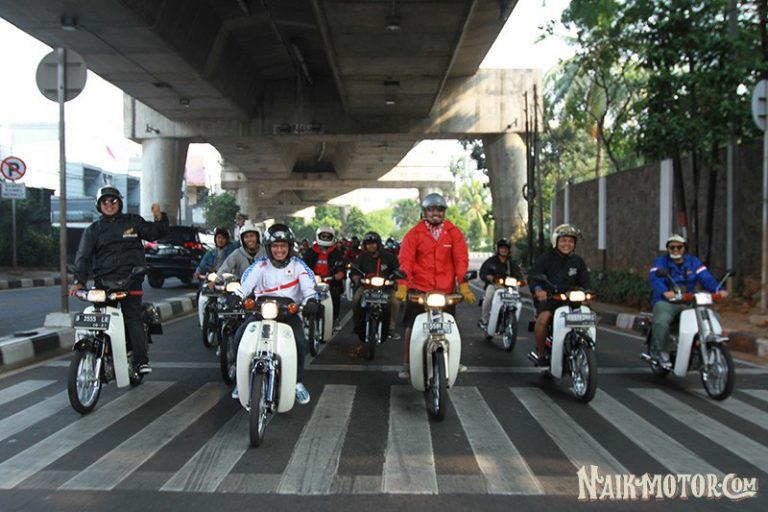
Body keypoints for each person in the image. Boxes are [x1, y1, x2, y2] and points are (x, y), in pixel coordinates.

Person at [69, 185, 169, 374]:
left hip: (131, 281)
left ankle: (140, 361)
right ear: (99, 205)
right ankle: (105, 354)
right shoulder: (93, 230)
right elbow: (83, 256)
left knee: (132, 318)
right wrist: (78, 281)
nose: (109, 204)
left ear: (120, 203)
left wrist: (159, 217)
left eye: (113, 201)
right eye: (105, 201)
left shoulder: (133, 221)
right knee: (100, 318)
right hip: (103, 283)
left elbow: (154, 233)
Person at [232, 223, 317, 404]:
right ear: (269, 248)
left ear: (290, 247)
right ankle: (241, 380)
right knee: (239, 336)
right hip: (261, 312)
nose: (279, 250)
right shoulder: (260, 265)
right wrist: (236, 296)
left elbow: (309, 287)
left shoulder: (299, 266)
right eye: (275, 246)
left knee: (300, 344)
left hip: (288, 314)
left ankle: (297, 382)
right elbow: (246, 284)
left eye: (283, 246)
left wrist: (311, 300)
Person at [394, 193, 475, 378]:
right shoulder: (414, 233)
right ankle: (406, 363)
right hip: (420, 288)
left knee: (451, 325)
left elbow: (461, 259)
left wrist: (463, 284)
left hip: (445, 290)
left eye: (439, 210)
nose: (435, 213)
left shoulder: (454, 233)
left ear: (444, 212)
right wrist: (403, 285)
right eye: (431, 210)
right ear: (424, 212)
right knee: (412, 326)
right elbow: (406, 260)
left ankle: (454, 359)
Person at [649, 234, 727, 366]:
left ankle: (707, 343)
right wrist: (664, 292)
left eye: (679, 247)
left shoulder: (693, 262)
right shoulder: (660, 262)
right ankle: (664, 353)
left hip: (689, 300)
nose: (675, 250)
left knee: (711, 316)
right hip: (667, 302)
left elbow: (706, 277)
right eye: (672, 247)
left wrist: (718, 289)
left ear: (684, 248)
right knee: (661, 321)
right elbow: (655, 279)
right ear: (668, 249)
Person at [528, 224, 590, 366]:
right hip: (551, 298)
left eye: (571, 241)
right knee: (543, 319)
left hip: (572, 299)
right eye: (563, 240)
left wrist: (587, 294)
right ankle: (541, 354)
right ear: (556, 241)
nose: (567, 244)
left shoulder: (578, 261)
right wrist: (538, 290)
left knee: (590, 318)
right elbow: (533, 277)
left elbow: (585, 283)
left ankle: (584, 346)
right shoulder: (545, 258)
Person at [349, 231, 400, 342]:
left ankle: (391, 328)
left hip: (386, 288)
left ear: (378, 244)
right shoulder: (361, 258)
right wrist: (356, 278)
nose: (371, 246)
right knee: (356, 299)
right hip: (366, 287)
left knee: (395, 303)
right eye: (368, 244)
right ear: (365, 245)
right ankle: (356, 324)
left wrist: (395, 278)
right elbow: (354, 270)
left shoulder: (389, 257)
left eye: (373, 243)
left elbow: (397, 269)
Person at [302, 226, 346, 327]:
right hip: (312, 282)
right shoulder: (310, 252)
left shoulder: (336, 253)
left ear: (332, 237)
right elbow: (303, 266)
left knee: (335, 295)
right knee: (301, 296)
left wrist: (339, 274)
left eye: (328, 236)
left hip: (330, 282)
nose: (325, 238)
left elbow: (341, 267)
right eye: (323, 236)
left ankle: (335, 318)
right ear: (318, 236)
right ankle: (302, 317)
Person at [477, 238, 524, 330]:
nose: (503, 250)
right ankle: (484, 320)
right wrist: (488, 277)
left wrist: (521, 280)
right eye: (501, 248)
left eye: (506, 248)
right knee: (489, 296)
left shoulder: (512, 263)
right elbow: (482, 273)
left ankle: (512, 317)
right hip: (494, 285)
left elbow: (518, 274)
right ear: (498, 249)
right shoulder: (490, 261)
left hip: (508, 287)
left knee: (517, 297)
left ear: (509, 250)